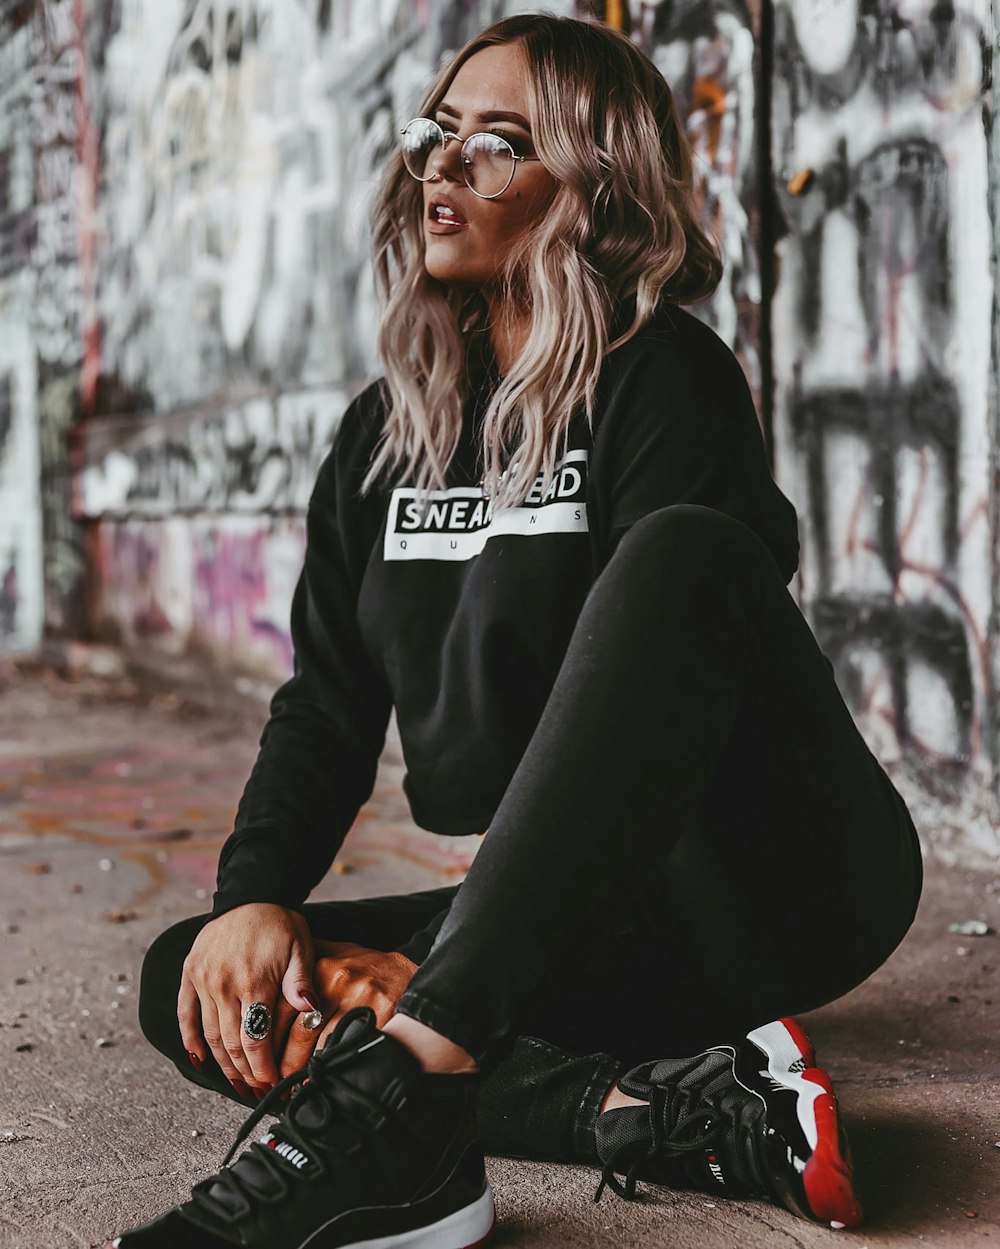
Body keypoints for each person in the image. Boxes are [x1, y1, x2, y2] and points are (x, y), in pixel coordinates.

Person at [108, 14, 922, 1249]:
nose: (442, 166)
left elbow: (681, 652)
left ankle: (412, 1067)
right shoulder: (385, 436)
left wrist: (442, 972)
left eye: (498, 145)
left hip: (767, 880)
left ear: (591, 194)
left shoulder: (666, 380)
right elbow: (326, 705)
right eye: (437, 134)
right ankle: (651, 1116)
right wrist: (255, 897)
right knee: (202, 978)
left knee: (686, 550)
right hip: (571, 918)